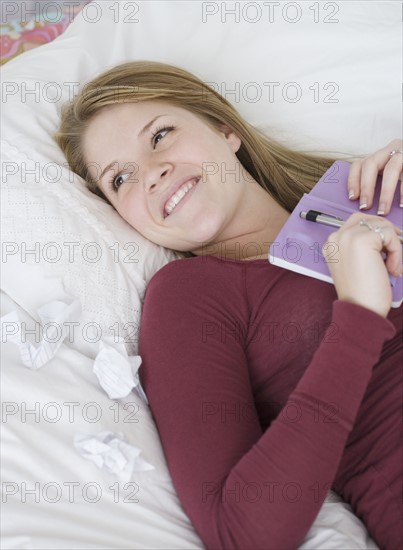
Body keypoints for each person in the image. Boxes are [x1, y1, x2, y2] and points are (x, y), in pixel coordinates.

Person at [55, 61, 402, 550]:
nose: (152, 174)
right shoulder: (190, 296)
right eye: (120, 180)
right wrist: (360, 316)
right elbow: (242, 533)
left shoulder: (368, 194)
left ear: (226, 131)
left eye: (159, 137)